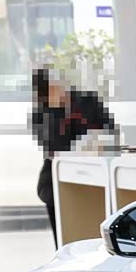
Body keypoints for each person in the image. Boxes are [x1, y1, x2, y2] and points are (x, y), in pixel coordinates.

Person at [30, 68, 115, 247]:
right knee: (64, 235)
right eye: (50, 88)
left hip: (97, 170)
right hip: (56, 178)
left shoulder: (88, 101)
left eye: (57, 83)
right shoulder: (42, 114)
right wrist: (57, 109)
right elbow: (53, 147)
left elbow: (108, 130)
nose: (58, 89)